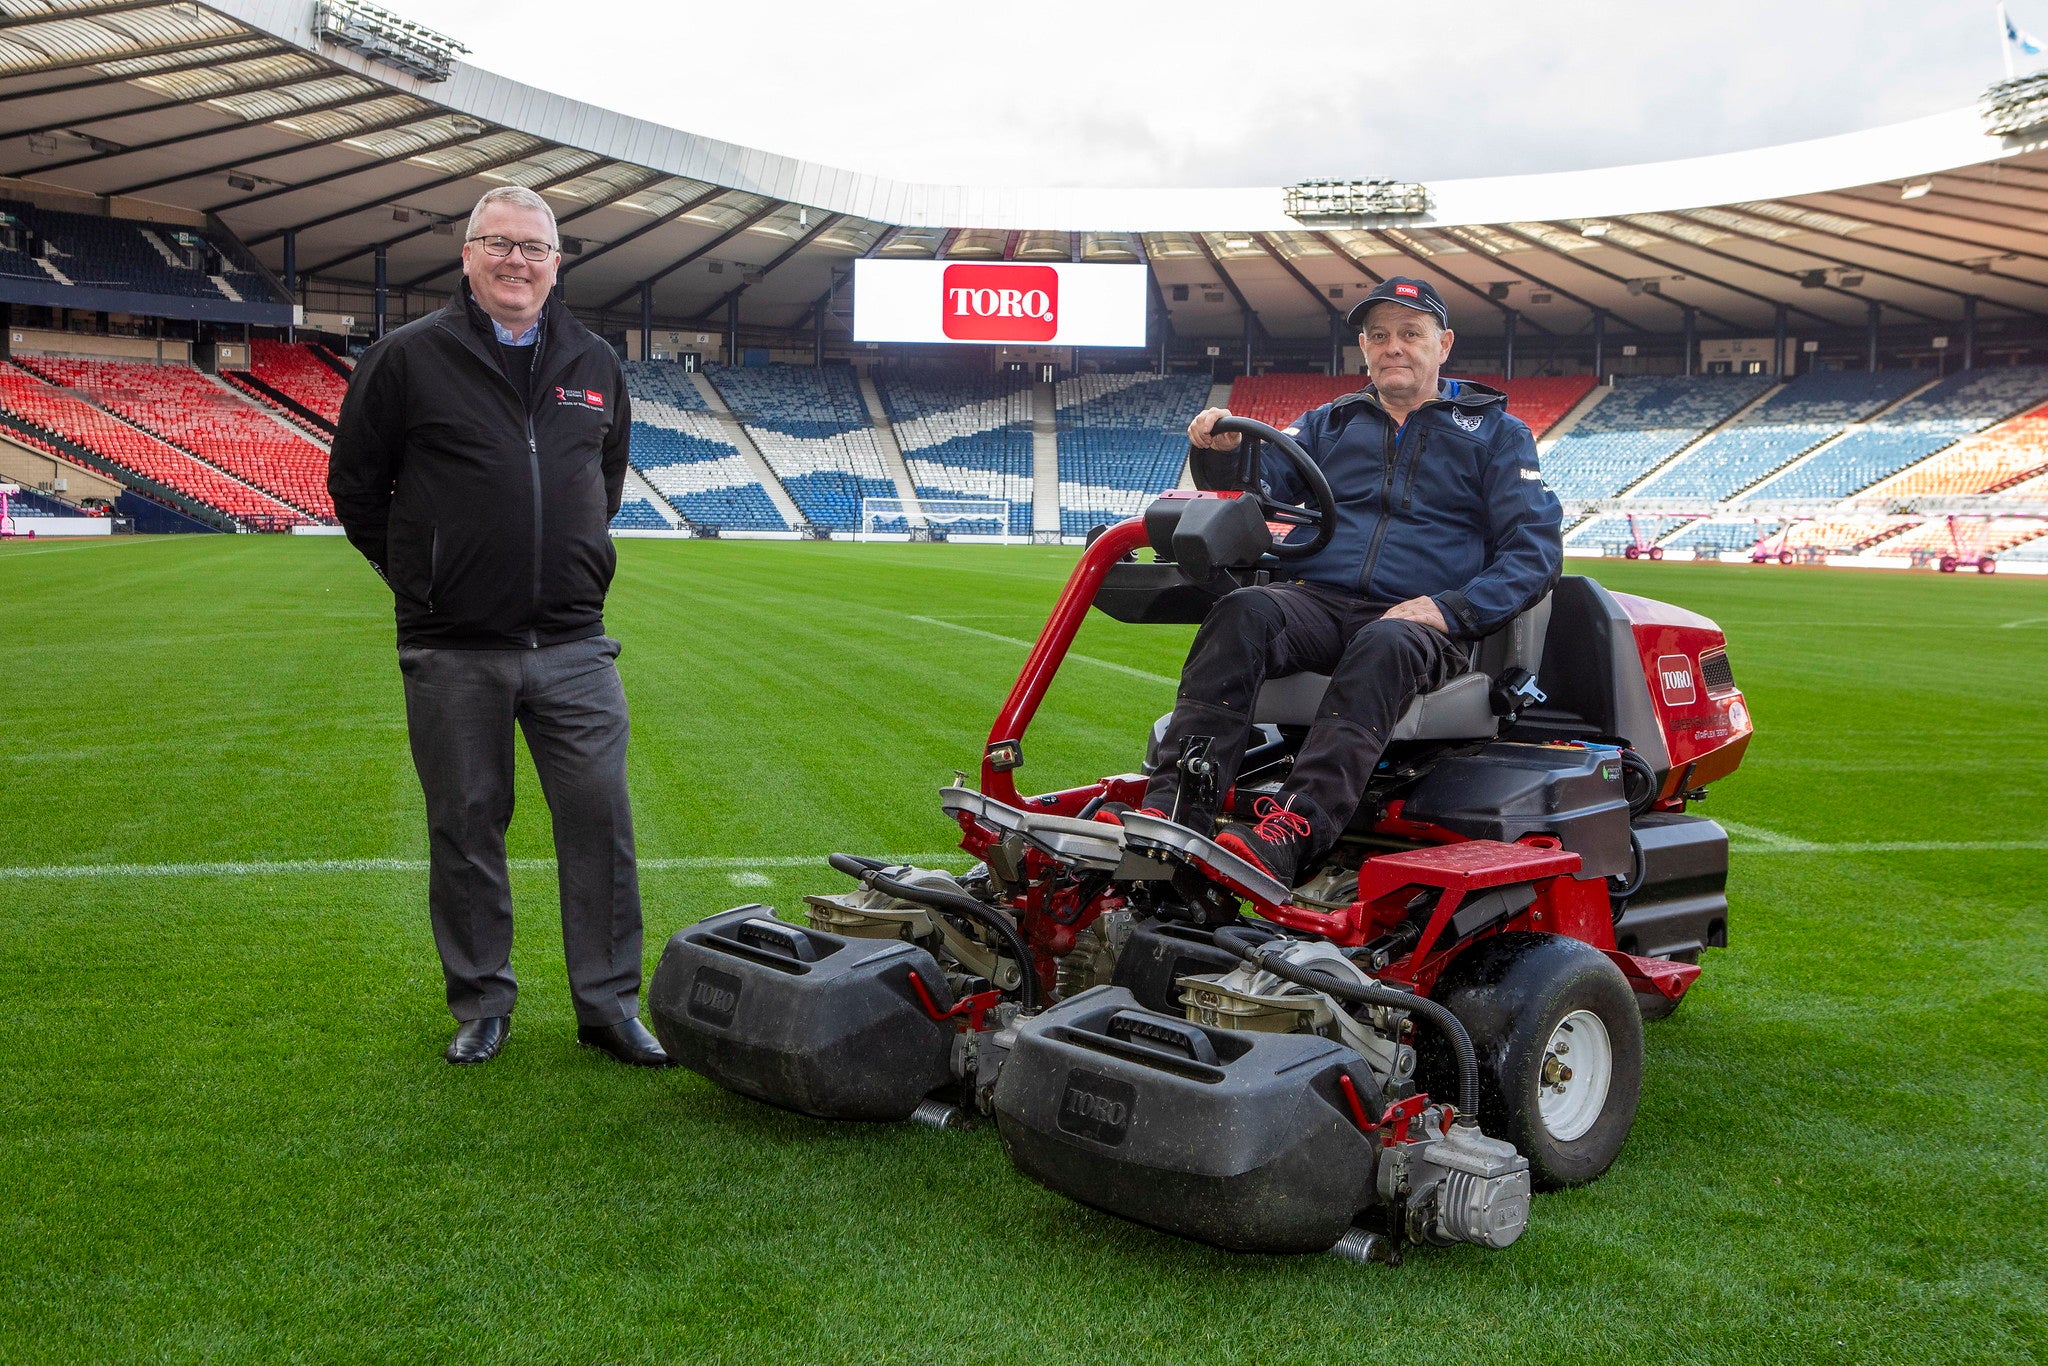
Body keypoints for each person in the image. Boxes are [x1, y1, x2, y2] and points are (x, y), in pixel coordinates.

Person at [329, 185, 669, 1068]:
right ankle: (483, 1002)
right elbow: (356, 488)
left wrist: (576, 566)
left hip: (573, 645)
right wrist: (425, 576)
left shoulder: (594, 359)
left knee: (601, 823)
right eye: (500, 244)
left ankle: (607, 1006)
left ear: (558, 265)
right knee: (468, 825)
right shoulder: (407, 358)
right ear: (468, 256)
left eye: (535, 248)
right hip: (454, 648)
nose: (517, 260)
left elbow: (604, 479)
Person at [1132, 277, 1563, 888]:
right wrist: (1223, 450)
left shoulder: (1497, 435)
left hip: (1420, 621)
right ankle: (1178, 806)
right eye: (1380, 335)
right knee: (1245, 611)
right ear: (1363, 346)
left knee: (1385, 641)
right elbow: (1258, 487)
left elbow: (1535, 550)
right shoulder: (1328, 425)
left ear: (1443, 345)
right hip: (1322, 604)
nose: (1395, 347)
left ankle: (1297, 826)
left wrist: (1451, 610)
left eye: (1411, 334)